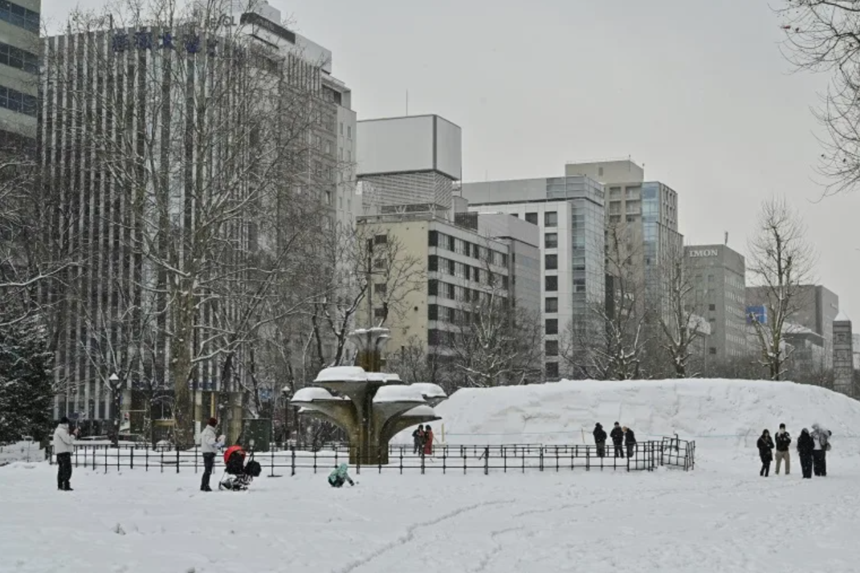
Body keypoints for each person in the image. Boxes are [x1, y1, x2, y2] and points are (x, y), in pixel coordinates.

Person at [52, 417, 78, 491]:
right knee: (67, 470)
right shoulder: (61, 431)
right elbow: (68, 440)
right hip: (64, 453)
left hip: (59, 453)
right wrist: (73, 434)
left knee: (61, 469)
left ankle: (60, 485)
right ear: (65, 424)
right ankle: (65, 485)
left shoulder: (58, 430)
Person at [200, 418, 221, 492]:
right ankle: (205, 486)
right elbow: (209, 441)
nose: (216, 426)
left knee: (207, 470)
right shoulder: (209, 432)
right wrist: (216, 440)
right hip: (209, 453)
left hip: (207, 452)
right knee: (208, 470)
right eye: (215, 424)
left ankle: (203, 485)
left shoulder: (207, 431)